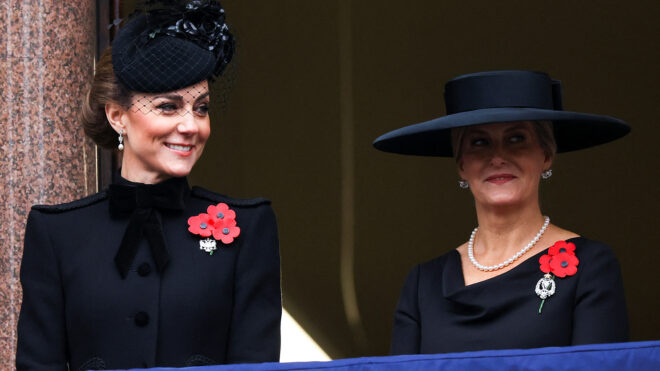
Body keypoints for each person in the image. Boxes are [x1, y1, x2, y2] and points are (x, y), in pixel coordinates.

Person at [16, 1, 281, 369]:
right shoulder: (57, 234)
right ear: (117, 116)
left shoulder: (249, 229)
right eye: (168, 107)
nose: (192, 126)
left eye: (201, 107)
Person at [373, 70, 630, 354]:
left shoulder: (591, 266)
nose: (497, 157)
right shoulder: (423, 284)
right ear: (461, 164)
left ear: (545, 155)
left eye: (516, 138)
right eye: (479, 142)